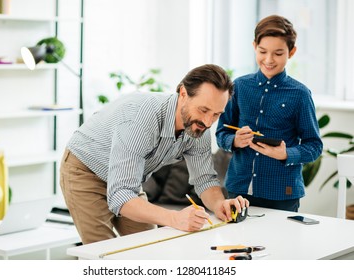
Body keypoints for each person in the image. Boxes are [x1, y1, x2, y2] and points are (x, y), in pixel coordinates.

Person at [60, 64, 249, 244]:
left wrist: (219, 205)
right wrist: (175, 218)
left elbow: (204, 180)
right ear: (183, 93)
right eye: (204, 110)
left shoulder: (199, 128)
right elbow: (121, 195)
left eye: (216, 114)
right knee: (103, 251)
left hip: (127, 181)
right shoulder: (141, 119)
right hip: (86, 170)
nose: (208, 122)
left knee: (151, 247)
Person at [216, 15, 323, 212]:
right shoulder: (239, 86)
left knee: (281, 243)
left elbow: (314, 146)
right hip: (239, 188)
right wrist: (234, 140)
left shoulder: (299, 94)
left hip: (282, 193)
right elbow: (221, 132)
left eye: (278, 53)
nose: (269, 60)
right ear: (254, 46)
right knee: (237, 243)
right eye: (262, 51)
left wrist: (286, 153)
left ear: (292, 52)